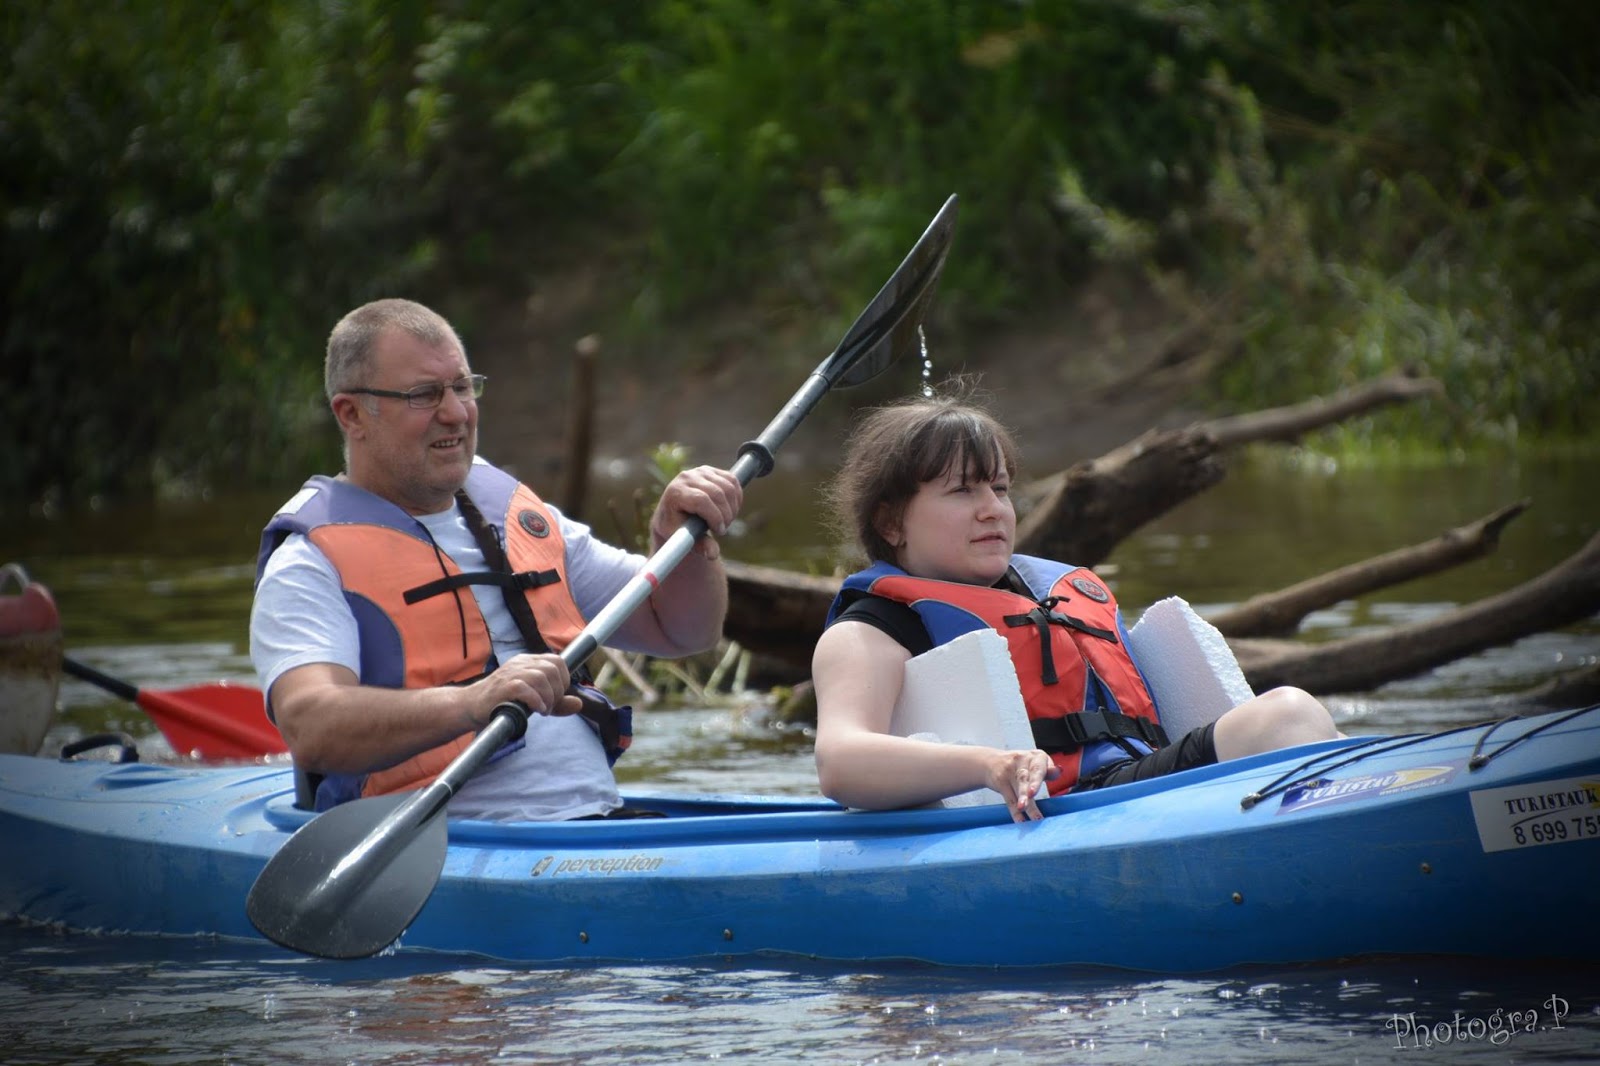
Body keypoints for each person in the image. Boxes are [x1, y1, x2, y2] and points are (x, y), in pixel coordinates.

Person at [251, 298, 743, 820]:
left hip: (595, 826)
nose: (456, 412)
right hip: (435, 845)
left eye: (463, 387)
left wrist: (678, 541)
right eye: (424, 395)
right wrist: (470, 702)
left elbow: (683, 629)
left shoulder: (511, 511)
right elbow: (311, 725)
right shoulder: (309, 560)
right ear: (352, 414)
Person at [811, 392, 1340, 823]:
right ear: (890, 523)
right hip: (1063, 810)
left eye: (999, 488)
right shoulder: (868, 631)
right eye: (962, 491)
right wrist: (989, 765)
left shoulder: (1051, 593)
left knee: (1300, 721)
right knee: (1285, 716)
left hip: (1137, 788)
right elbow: (840, 761)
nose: (994, 509)